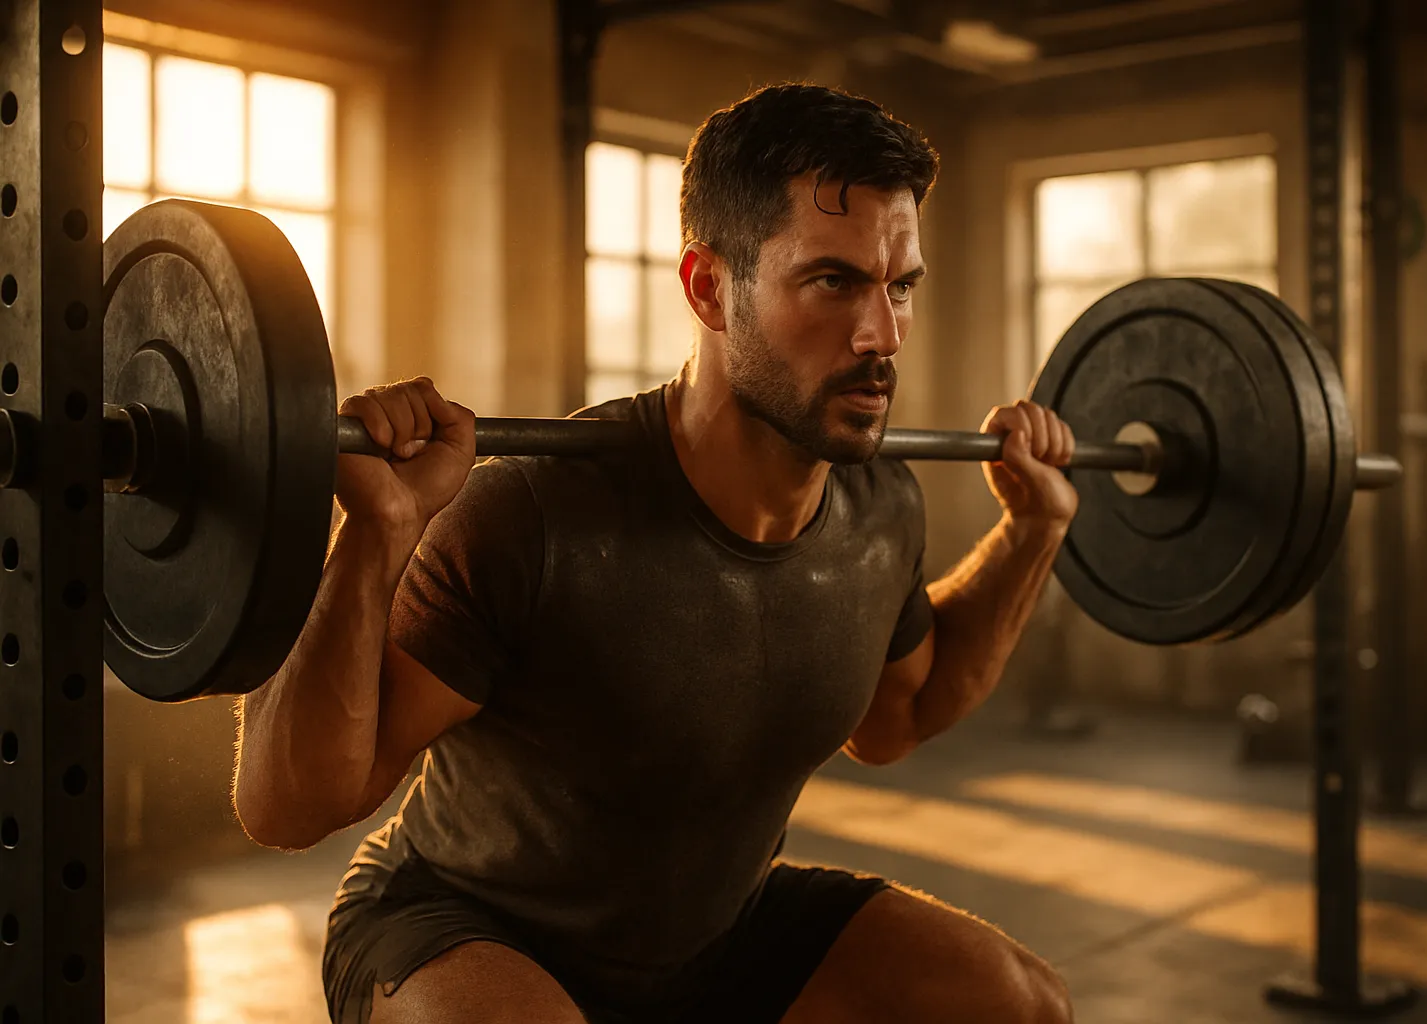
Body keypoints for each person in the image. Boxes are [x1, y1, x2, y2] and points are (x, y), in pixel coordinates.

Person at [233, 83, 1078, 1024]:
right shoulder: (534, 515)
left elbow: (899, 718)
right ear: (709, 288)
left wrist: (1032, 532)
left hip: (714, 934)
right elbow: (287, 807)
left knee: (1019, 1004)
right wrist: (375, 534)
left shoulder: (879, 509)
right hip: (468, 923)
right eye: (832, 281)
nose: (882, 335)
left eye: (900, 285)